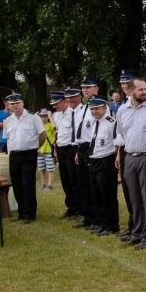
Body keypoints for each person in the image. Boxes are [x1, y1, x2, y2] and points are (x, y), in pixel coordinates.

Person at [114, 77, 146, 250]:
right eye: (140, 89)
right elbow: (122, 134)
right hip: (129, 157)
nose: (144, 92)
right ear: (131, 90)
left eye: (145, 89)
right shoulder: (122, 110)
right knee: (134, 197)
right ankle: (137, 232)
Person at [3, 93, 45, 223]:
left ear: (22, 103)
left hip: (29, 154)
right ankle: (21, 212)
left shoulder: (33, 117)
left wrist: (34, 148)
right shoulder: (8, 120)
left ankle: (29, 214)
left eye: (17, 103)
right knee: (17, 184)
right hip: (14, 155)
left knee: (27, 184)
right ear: (9, 105)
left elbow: (42, 135)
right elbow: (8, 139)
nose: (15, 106)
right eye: (12, 104)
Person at [86, 97, 120, 235]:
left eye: (97, 109)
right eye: (92, 109)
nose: (94, 111)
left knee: (108, 194)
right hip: (94, 160)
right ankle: (101, 222)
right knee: (96, 194)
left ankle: (111, 225)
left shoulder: (111, 123)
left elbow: (117, 143)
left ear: (105, 108)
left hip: (106, 160)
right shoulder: (94, 122)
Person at [73, 76, 100, 230]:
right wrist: (78, 151)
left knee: (92, 185)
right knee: (84, 184)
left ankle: (97, 218)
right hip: (82, 147)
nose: (85, 90)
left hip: (92, 146)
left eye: (88, 87)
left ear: (96, 88)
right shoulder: (83, 108)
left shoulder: (99, 106)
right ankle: (88, 216)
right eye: (83, 88)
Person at [58, 88, 85, 220]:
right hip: (62, 147)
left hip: (72, 147)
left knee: (75, 180)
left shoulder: (81, 111)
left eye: (72, 97)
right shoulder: (63, 114)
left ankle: (79, 209)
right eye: (68, 97)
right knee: (66, 180)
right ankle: (71, 207)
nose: (70, 100)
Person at [37, 108, 56, 191]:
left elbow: (55, 128)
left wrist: (50, 117)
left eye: (45, 116)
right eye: (41, 116)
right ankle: (43, 184)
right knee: (42, 169)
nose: (43, 118)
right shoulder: (38, 126)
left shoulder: (49, 125)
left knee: (50, 168)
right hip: (40, 150)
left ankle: (50, 185)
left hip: (48, 150)